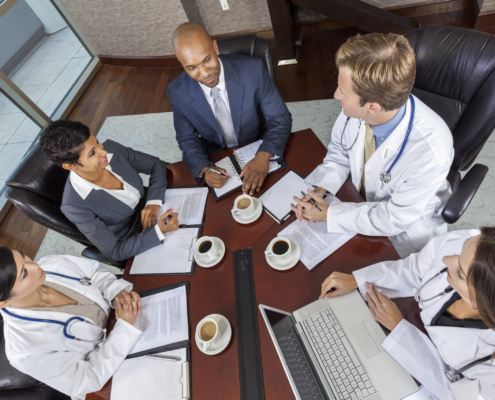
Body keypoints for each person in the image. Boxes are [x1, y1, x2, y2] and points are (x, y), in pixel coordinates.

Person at [291, 33, 454, 258]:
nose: (336, 95)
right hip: (360, 201)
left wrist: (331, 215)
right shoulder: (359, 109)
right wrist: (321, 188)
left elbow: (393, 218)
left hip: (405, 230)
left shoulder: (431, 151)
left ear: (372, 107)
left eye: (343, 92)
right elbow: (340, 149)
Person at [319, 228, 495, 399]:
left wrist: (400, 330)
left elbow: (452, 392)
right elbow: (416, 268)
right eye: (460, 249)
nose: (446, 259)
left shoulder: (490, 368)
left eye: (460, 273)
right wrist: (358, 280)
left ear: (483, 300)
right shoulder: (477, 244)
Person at [167, 22, 292, 195]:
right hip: (216, 155)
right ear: (180, 62)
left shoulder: (254, 70)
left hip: (257, 144)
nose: (204, 74)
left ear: (215, 47)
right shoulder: (177, 92)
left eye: (207, 60)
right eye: (192, 67)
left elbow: (280, 118)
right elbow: (187, 138)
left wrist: (264, 155)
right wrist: (203, 168)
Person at [0, 248, 143, 398]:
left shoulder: (51, 263)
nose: (35, 266)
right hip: (117, 368)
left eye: (23, 256)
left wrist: (117, 293)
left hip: (129, 318)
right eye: (24, 274)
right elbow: (88, 378)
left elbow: (93, 271)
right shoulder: (24, 352)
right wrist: (124, 329)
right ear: (4, 303)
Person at [39, 120, 179, 262]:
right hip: (136, 236)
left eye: (97, 142)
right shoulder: (74, 206)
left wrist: (153, 202)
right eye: (92, 153)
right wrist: (159, 231)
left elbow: (156, 164)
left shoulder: (112, 148)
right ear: (70, 166)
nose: (103, 151)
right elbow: (114, 252)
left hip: (157, 202)